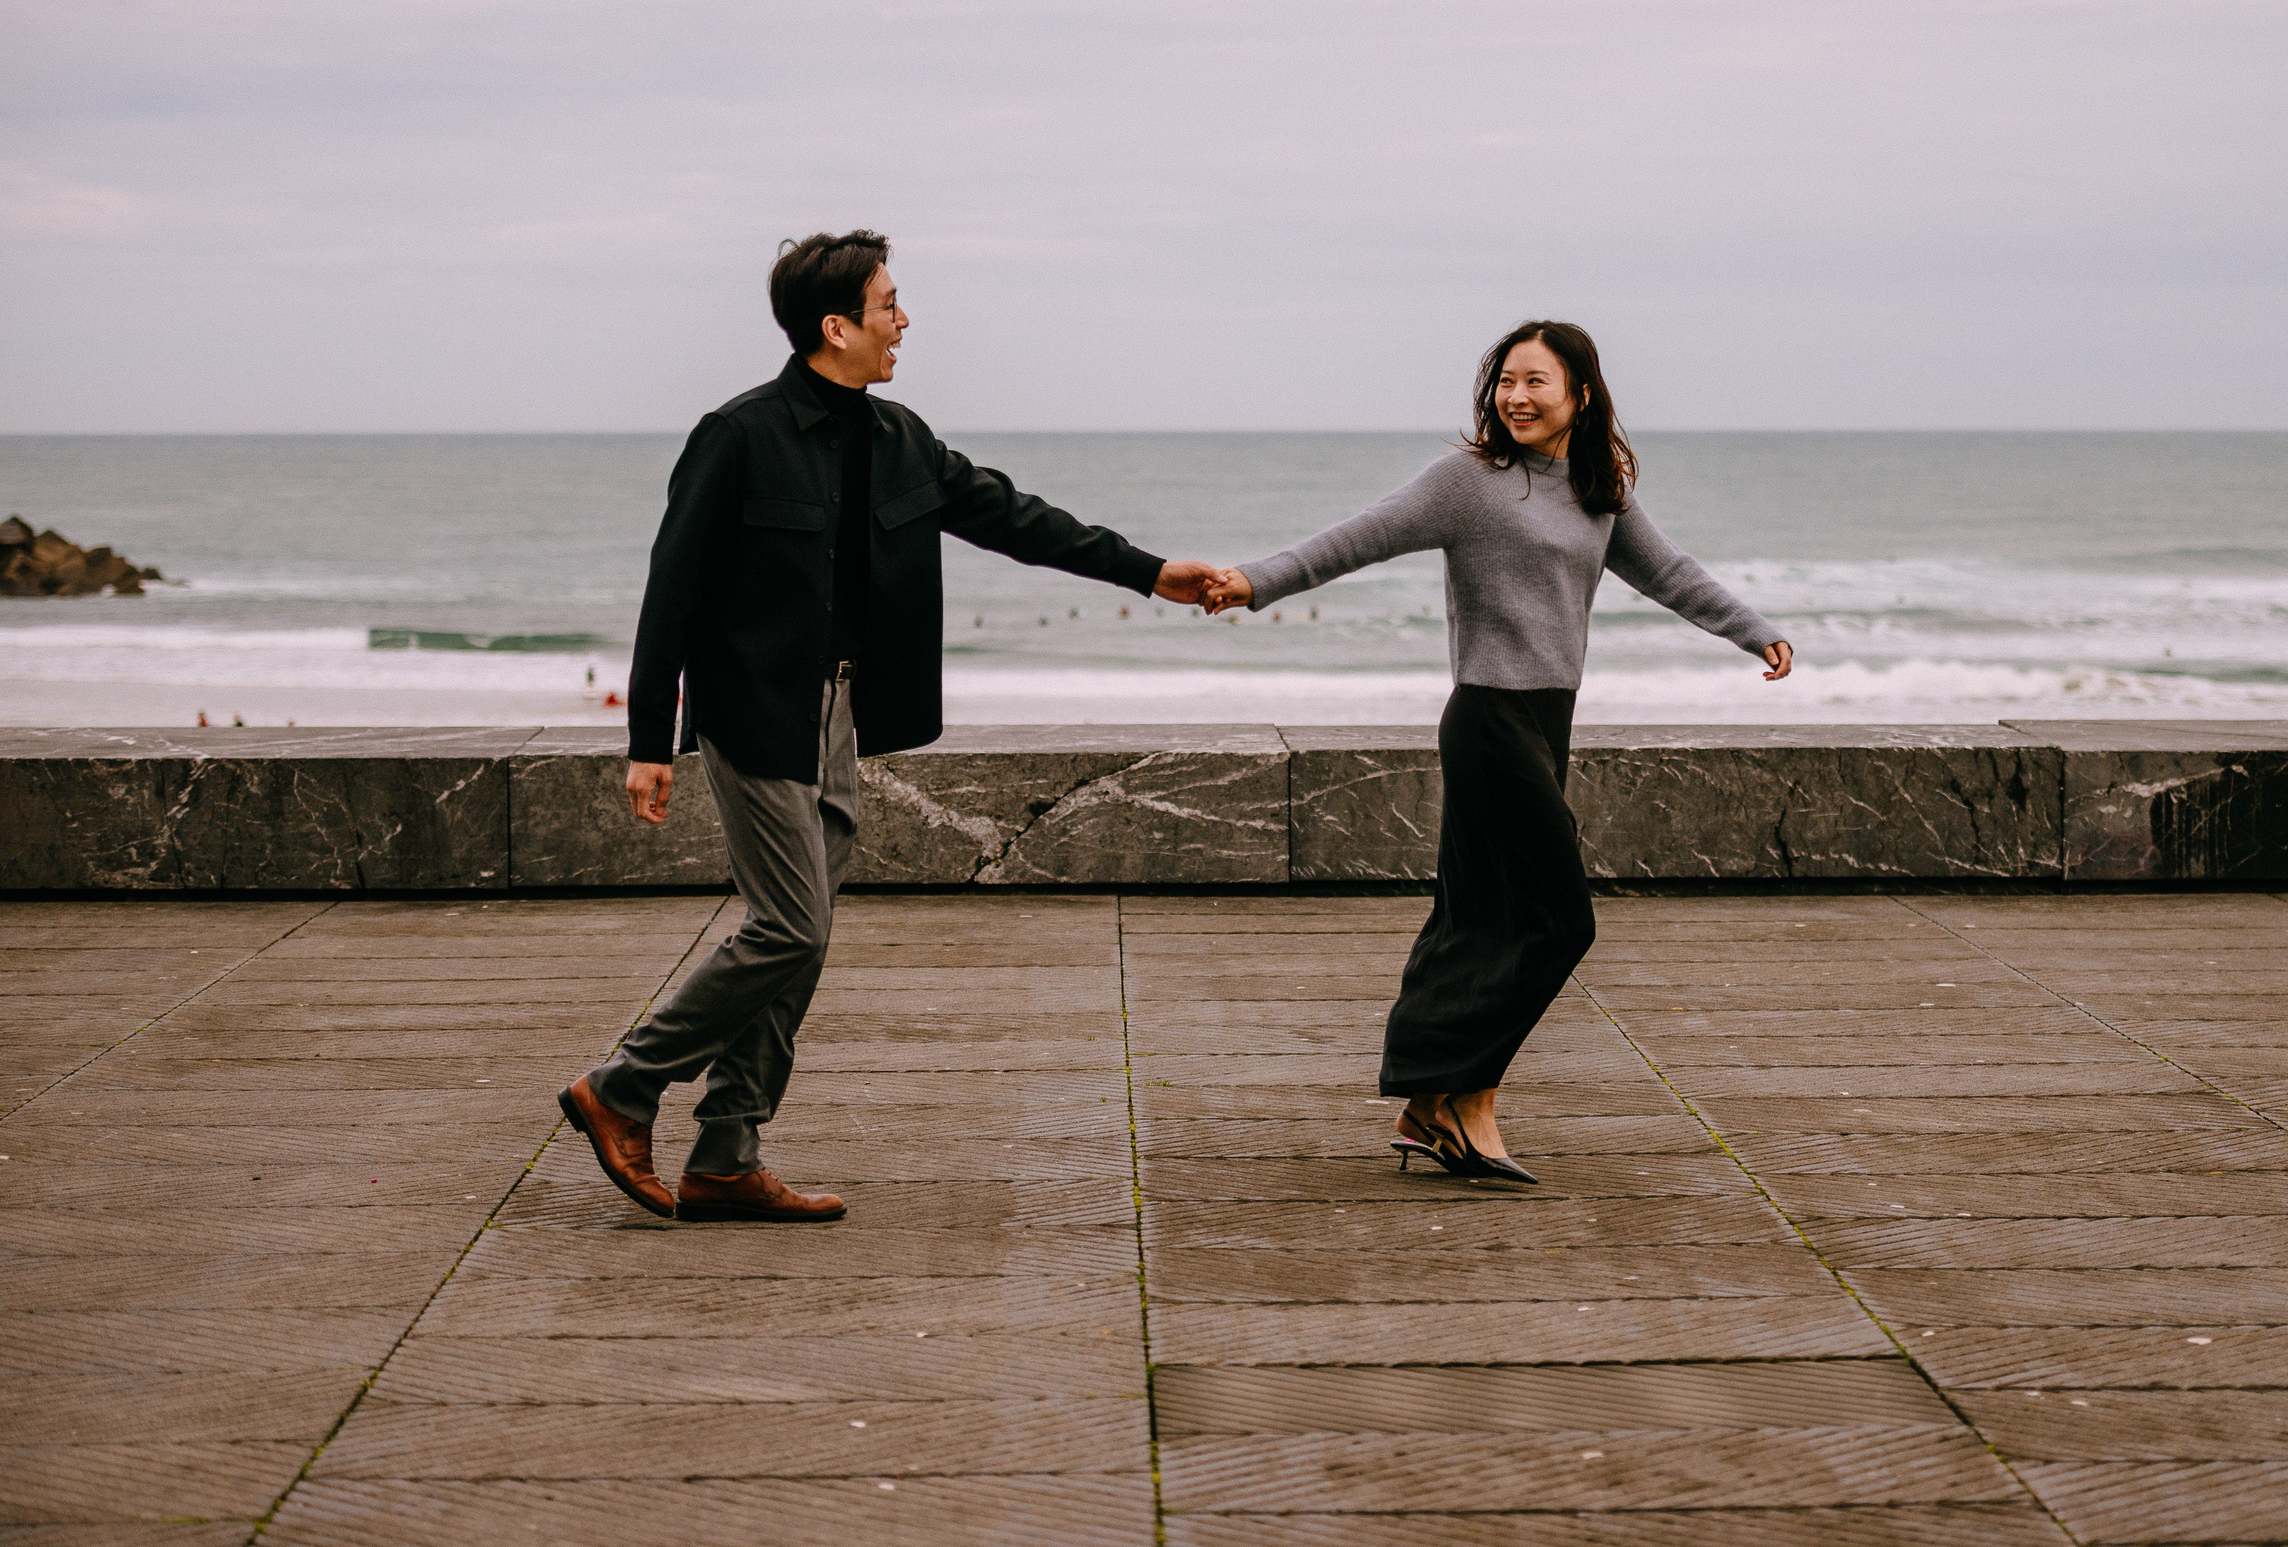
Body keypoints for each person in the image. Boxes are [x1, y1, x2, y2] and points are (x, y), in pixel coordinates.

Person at [560, 230, 1219, 1222]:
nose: (903, 319)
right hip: (750, 709)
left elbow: (1017, 517)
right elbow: (675, 590)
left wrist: (1146, 570)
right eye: (887, 304)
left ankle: (728, 1152)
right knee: (790, 923)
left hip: (837, 711)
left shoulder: (900, 438)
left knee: (803, 935)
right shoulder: (737, 436)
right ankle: (623, 1086)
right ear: (837, 325)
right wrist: (650, 739)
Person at [1202, 320, 1791, 1183]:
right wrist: (1256, 582)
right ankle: (1461, 1100)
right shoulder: (1469, 482)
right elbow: (1360, 535)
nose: (1516, 397)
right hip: (1487, 719)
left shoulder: (1597, 491)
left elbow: (1671, 573)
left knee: (1487, 917)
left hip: (1547, 722)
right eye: (1505, 381)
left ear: (1578, 396)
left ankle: (1437, 1107)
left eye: (1535, 383)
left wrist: (1755, 632)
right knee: (1560, 921)